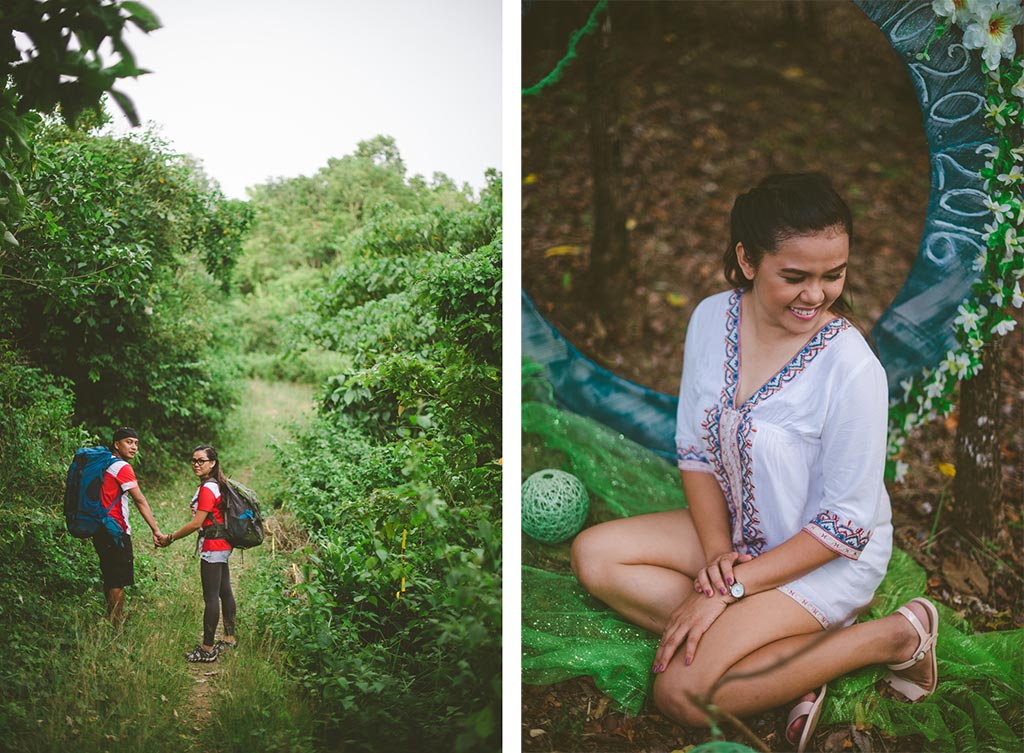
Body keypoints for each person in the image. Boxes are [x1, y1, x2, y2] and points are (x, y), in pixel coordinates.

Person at [570, 174, 939, 752]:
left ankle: (897, 637)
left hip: (823, 556)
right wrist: (719, 557)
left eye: (832, 275)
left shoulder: (853, 370)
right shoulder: (711, 321)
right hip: (743, 530)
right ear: (746, 259)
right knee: (595, 555)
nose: (815, 295)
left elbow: (845, 526)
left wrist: (729, 590)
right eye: (794, 276)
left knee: (680, 696)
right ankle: (780, 662)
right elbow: (693, 452)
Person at [157, 445, 237, 663]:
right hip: (222, 544)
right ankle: (229, 639)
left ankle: (207, 649)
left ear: (212, 463)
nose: (196, 464)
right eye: (193, 460)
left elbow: (196, 523)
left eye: (201, 461)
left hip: (213, 546)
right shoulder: (215, 484)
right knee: (224, 591)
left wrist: (170, 537)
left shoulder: (208, 488)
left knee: (211, 597)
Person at [94, 426, 166, 623]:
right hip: (116, 529)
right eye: (129, 442)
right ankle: (115, 624)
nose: (134, 447)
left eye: (136, 443)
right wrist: (156, 530)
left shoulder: (104, 463)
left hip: (100, 528)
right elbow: (140, 500)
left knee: (109, 575)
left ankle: (110, 618)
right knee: (117, 580)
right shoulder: (122, 467)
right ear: (117, 444)